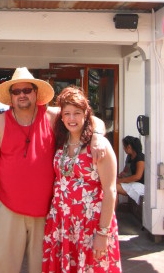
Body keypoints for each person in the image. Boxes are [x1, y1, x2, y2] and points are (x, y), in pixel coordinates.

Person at [0, 67, 107, 273]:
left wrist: (98, 136)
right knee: (3, 268)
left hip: (47, 213)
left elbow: (92, 120)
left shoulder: (52, 117)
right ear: (10, 96)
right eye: (16, 91)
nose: (22, 95)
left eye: (26, 90)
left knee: (44, 268)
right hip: (8, 209)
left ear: (36, 93)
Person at [42, 86, 121, 272]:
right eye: (67, 113)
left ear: (86, 114)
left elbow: (110, 191)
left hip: (90, 225)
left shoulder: (99, 147)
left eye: (77, 113)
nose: (71, 118)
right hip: (61, 224)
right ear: (61, 117)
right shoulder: (61, 144)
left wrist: (103, 233)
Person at [116, 136, 145, 206]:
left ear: (128, 147)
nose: (123, 148)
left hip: (140, 185)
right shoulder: (129, 157)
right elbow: (125, 171)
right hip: (131, 182)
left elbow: (138, 176)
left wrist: (122, 180)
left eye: (124, 146)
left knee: (113, 187)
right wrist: (120, 176)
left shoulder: (140, 157)